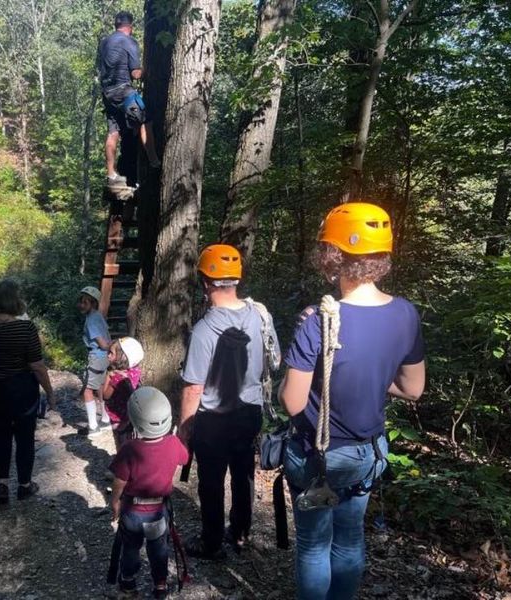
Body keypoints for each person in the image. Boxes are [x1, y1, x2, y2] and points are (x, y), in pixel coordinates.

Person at [280, 202, 426, 600]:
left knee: (314, 545)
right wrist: (373, 381)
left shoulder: (319, 320)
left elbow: (293, 402)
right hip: (367, 453)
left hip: (319, 453)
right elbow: (412, 388)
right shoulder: (406, 314)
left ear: (333, 255)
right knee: (348, 539)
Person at [179, 244, 278, 559]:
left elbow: (194, 387)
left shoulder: (204, 330)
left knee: (211, 480)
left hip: (214, 418)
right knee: (242, 472)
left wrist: (184, 431)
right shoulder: (259, 315)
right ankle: (240, 532)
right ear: (236, 279)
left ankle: (211, 542)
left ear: (206, 283)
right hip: (250, 411)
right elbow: (271, 361)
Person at [0, 279, 57, 504]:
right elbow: (37, 365)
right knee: (25, 437)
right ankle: (24, 485)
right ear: (17, 300)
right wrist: (50, 392)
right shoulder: (26, 328)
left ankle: (2, 486)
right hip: (23, 391)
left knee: (1, 434)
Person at [109, 387, 189, 598]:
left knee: (131, 548)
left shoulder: (129, 449)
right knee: (158, 549)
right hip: (158, 510)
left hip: (133, 511)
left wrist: (115, 501)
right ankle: (160, 585)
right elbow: (184, 458)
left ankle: (128, 583)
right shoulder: (173, 443)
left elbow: (119, 480)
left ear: (135, 419)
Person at [96, 11, 160, 186]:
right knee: (145, 120)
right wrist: (148, 70)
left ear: (116, 25)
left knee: (113, 132)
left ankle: (111, 173)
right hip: (123, 91)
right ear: (130, 27)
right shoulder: (129, 41)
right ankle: (154, 161)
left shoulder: (104, 43)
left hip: (107, 93)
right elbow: (136, 74)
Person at [77, 286, 112, 436]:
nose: (81, 305)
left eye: (85, 302)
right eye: (80, 301)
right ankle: (105, 419)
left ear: (93, 303)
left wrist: (111, 345)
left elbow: (103, 343)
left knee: (88, 390)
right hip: (104, 358)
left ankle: (93, 426)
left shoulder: (91, 321)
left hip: (96, 356)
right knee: (100, 388)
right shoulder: (98, 316)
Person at [102, 337, 144, 452]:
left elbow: (105, 395)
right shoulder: (135, 371)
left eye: (111, 353)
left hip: (118, 419)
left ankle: (123, 465)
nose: (108, 355)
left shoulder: (116, 377)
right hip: (131, 416)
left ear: (123, 357)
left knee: (121, 445)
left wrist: (108, 377)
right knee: (131, 442)